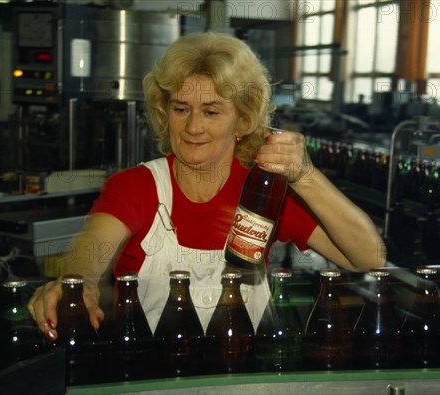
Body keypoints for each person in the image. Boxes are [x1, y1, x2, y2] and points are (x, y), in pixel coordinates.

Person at [27, 31, 386, 339]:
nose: (193, 127)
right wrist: (78, 283)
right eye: (181, 108)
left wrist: (305, 176)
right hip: (154, 376)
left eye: (212, 111)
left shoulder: (264, 193)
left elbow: (368, 259)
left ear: (243, 120)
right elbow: (92, 246)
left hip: (242, 377)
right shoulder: (137, 186)